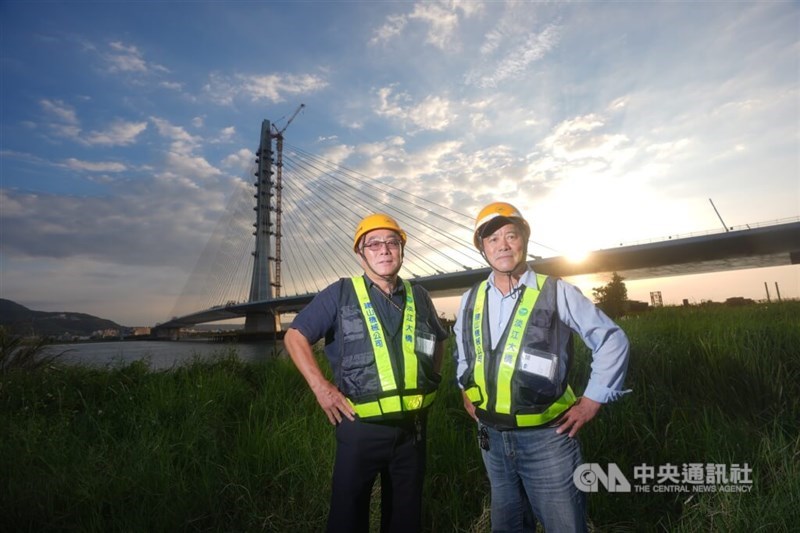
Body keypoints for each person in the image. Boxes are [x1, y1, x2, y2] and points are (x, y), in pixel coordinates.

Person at [453, 201, 630, 533]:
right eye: (492, 239)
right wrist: (464, 388)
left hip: (548, 438)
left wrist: (592, 400)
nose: (502, 245)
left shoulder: (556, 291)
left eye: (511, 235)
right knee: (507, 526)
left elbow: (612, 339)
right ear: (482, 248)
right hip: (491, 438)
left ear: (525, 240)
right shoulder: (469, 299)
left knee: (564, 525)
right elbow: (464, 351)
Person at [284, 213, 448, 533]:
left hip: (412, 430)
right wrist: (321, 388)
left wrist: (433, 380)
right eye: (373, 244)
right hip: (360, 428)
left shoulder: (420, 296)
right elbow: (295, 336)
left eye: (392, 242)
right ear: (360, 253)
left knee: (405, 518)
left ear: (402, 250)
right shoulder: (340, 293)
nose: (384, 250)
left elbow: (439, 340)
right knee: (348, 517)